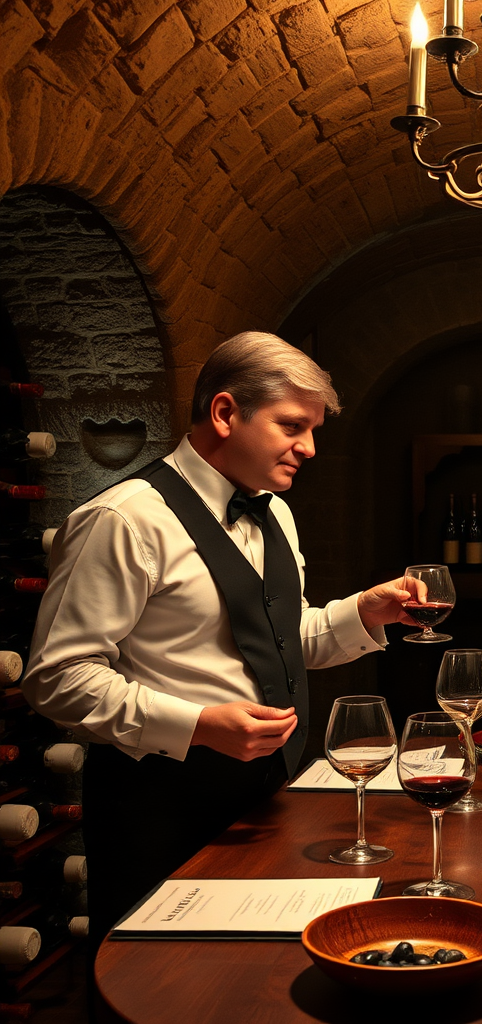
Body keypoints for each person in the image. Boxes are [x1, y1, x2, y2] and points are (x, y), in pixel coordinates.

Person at [24, 331, 422, 946]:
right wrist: (198, 724)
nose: (309, 448)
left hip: (266, 804)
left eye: (313, 430)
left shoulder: (274, 510)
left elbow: (277, 642)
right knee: (162, 992)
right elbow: (57, 677)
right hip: (158, 814)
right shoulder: (123, 519)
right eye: (293, 426)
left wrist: (364, 614)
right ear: (225, 413)